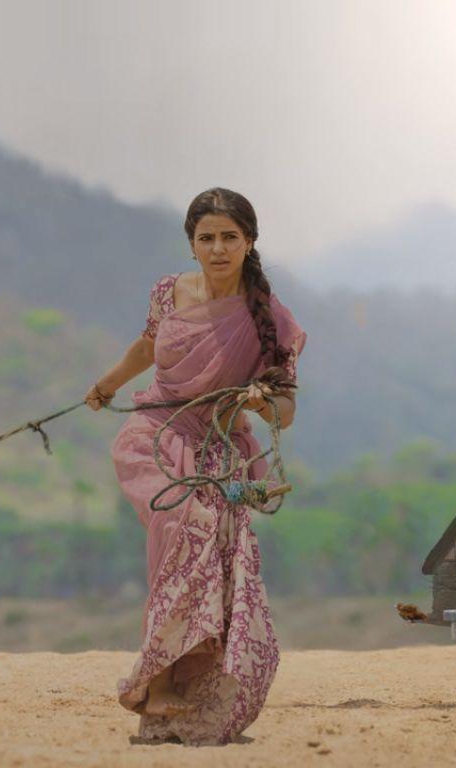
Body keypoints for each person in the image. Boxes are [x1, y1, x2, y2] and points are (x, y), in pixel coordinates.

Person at [85, 187, 306, 745]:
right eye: (205, 238)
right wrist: (108, 382)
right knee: (180, 526)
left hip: (217, 454)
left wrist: (260, 402)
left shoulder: (269, 319)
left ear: (249, 241)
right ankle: (156, 685)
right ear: (191, 244)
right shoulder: (169, 292)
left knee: (208, 554)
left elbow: (287, 409)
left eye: (229, 237)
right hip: (156, 434)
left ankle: (178, 689)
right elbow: (146, 347)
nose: (217, 248)